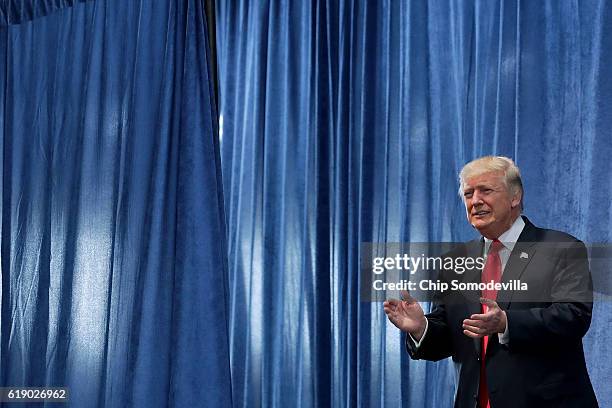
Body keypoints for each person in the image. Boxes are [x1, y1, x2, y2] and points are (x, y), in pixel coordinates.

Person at [384, 156, 598, 408]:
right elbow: (452, 338)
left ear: (514, 197)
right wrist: (421, 328)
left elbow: (573, 316)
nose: (475, 201)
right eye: (468, 194)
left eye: (485, 190)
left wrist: (506, 323)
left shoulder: (561, 248)